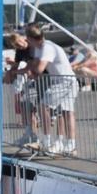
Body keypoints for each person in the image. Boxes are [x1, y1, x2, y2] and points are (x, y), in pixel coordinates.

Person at [25, 24, 78, 155]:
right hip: (66, 80)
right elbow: (35, 65)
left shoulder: (47, 48)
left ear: (31, 39)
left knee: (45, 106)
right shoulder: (40, 47)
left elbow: (39, 68)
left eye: (28, 39)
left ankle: (47, 141)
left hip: (65, 81)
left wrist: (32, 69)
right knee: (63, 112)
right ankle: (67, 145)